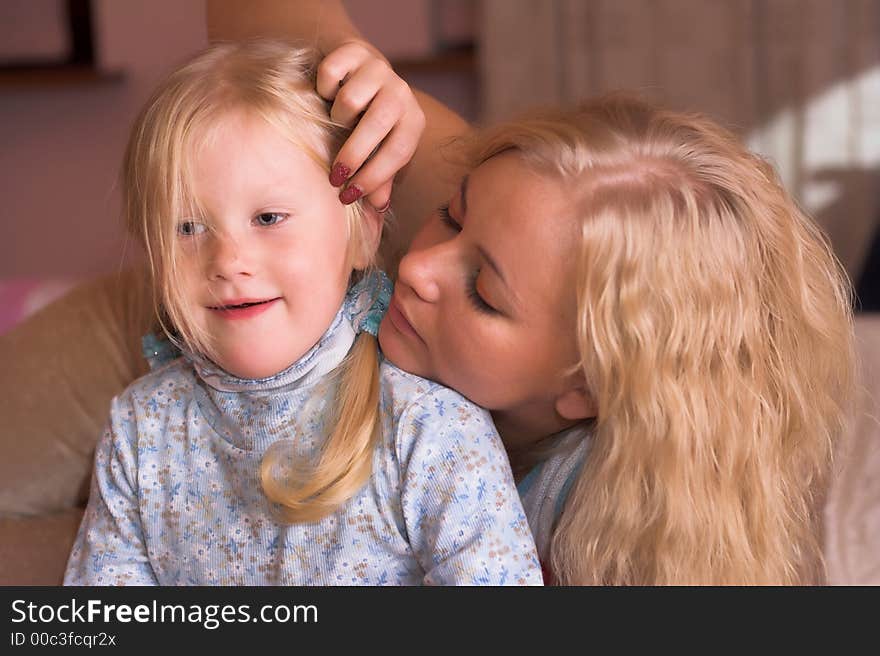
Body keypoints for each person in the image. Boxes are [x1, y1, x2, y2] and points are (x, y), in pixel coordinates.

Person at [205, 3, 857, 585]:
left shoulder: (617, 541)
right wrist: (355, 72)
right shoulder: (517, 213)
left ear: (587, 386)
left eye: (484, 293)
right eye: (452, 216)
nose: (418, 267)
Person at [62, 39, 541, 586]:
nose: (227, 261)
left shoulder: (428, 430)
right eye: (188, 228)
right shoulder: (139, 429)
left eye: (268, 217)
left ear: (362, 230)